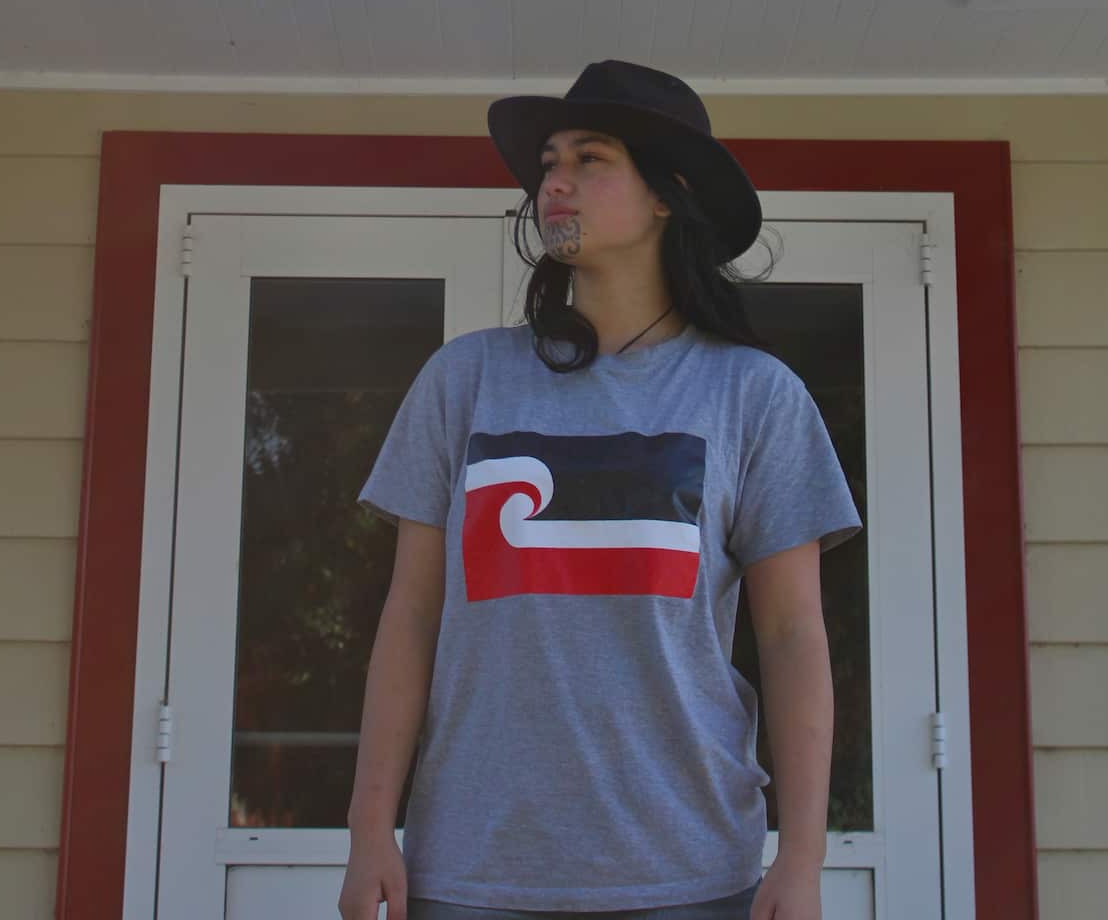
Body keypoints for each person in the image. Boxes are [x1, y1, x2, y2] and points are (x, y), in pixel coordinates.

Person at [339, 59, 862, 920]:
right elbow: (411, 617)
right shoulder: (464, 379)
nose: (557, 182)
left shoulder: (753, 396)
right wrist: (369, 831)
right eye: (549, 162)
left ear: (668, 195)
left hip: (689, 872)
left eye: (591, 159)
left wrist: (801, 859)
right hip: (473, 872)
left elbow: (794, 636)